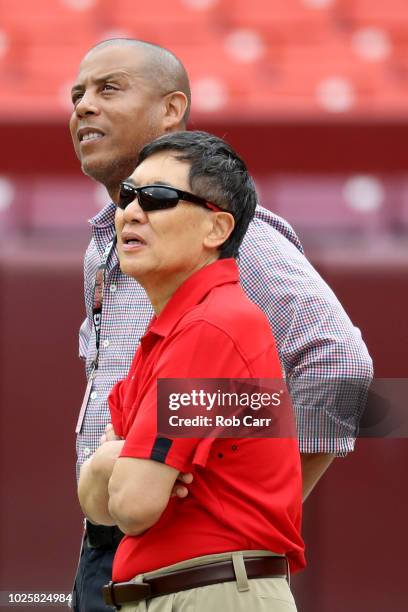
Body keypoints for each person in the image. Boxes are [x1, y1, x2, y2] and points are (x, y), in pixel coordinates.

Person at [69, 38, 373, 612]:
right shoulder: (109, 241)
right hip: (114, 536)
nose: (84, 105)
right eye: (77, 94)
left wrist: (243, 497)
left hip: (191, 551)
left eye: (110, 88)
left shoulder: (236, 234)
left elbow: (340, 363)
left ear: (171, 109)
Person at [78, 129, 305, 611]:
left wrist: (120, 462)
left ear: (216, 229)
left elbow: (134, 505)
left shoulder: (215, 324)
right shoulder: (168, 333)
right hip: (180, 589)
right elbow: (97, 502)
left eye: (158, 197)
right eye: (128, 195)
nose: (130, 211)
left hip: (215, 590)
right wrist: (113, 463)